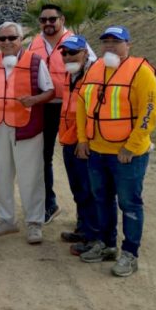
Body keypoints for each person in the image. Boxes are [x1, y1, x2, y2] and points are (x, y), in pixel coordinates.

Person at [76, 25, 156, 277]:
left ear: (128, 45)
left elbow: (149, 111)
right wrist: (82, 139)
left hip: (127, 155)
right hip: (97, 151)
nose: (110, 46)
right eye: (106, 42)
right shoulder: (95, 68)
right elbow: (82, 105)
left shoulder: (141, 72)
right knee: (102, 200)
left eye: (116, 41)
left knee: (129, 203)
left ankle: (130, 254)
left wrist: (131, 146)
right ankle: (107, 244)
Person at [0, 22, 55, 244]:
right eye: (2, 39)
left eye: (11, 38)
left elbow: (50, 91)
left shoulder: (35, 61)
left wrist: (34, 100)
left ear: (21, 38)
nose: (6, 43)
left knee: (31, 177)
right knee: (3, 175)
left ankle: (34, 224)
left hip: (27, 127)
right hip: (1, 126)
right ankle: (7, 220)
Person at [27, 4, 73, 224]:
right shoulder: (33, 44)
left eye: (52, 19)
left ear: (62, 19)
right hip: (42, 107)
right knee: (41, 157)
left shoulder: (76, 43)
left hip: (69, 108)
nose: (48, 23)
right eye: (44, 20)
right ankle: (49, 204)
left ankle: (86, 215)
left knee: (76, 158)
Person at [56, 35, 101, 255]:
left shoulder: (94, 75)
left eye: (72, 52)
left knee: (88, 189)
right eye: (63, 53)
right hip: (69, 139)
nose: (67, 56)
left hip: (84, 143)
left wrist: (85, 140)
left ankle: (94, 236)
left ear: (85, 52)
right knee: (78, 189)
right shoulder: (71, 74)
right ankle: (83, 228)